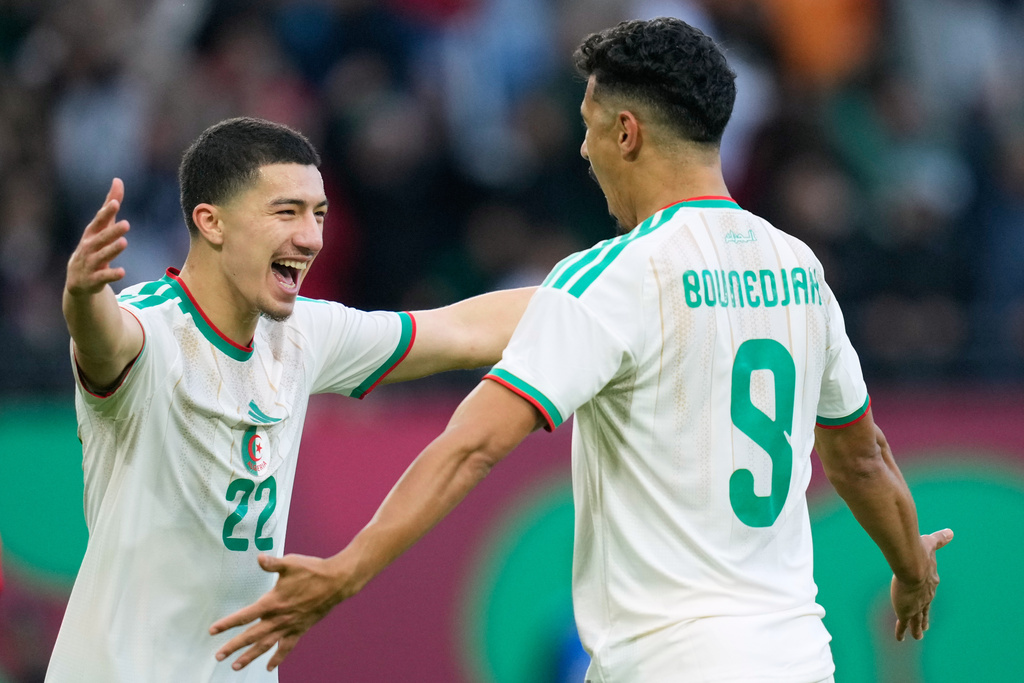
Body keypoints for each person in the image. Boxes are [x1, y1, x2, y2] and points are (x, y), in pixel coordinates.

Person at [212, 19, 953, 682]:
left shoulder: (617, 274)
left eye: (589, 124)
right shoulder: (797, 267)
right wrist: (910, 567)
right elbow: (863, 457)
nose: (582, 147)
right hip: (796, 660)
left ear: (627, 133)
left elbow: (472, 445)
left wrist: (346, 570)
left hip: (666, 663)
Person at [51, 116, 535, 683]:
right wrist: (81, 295)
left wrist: (607, 289)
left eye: (319, 214)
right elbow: (105, 339)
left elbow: (462, 331)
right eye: (287, 212)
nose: (312, 238)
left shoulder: (304, 333)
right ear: (212, 222)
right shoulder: (151, 331)